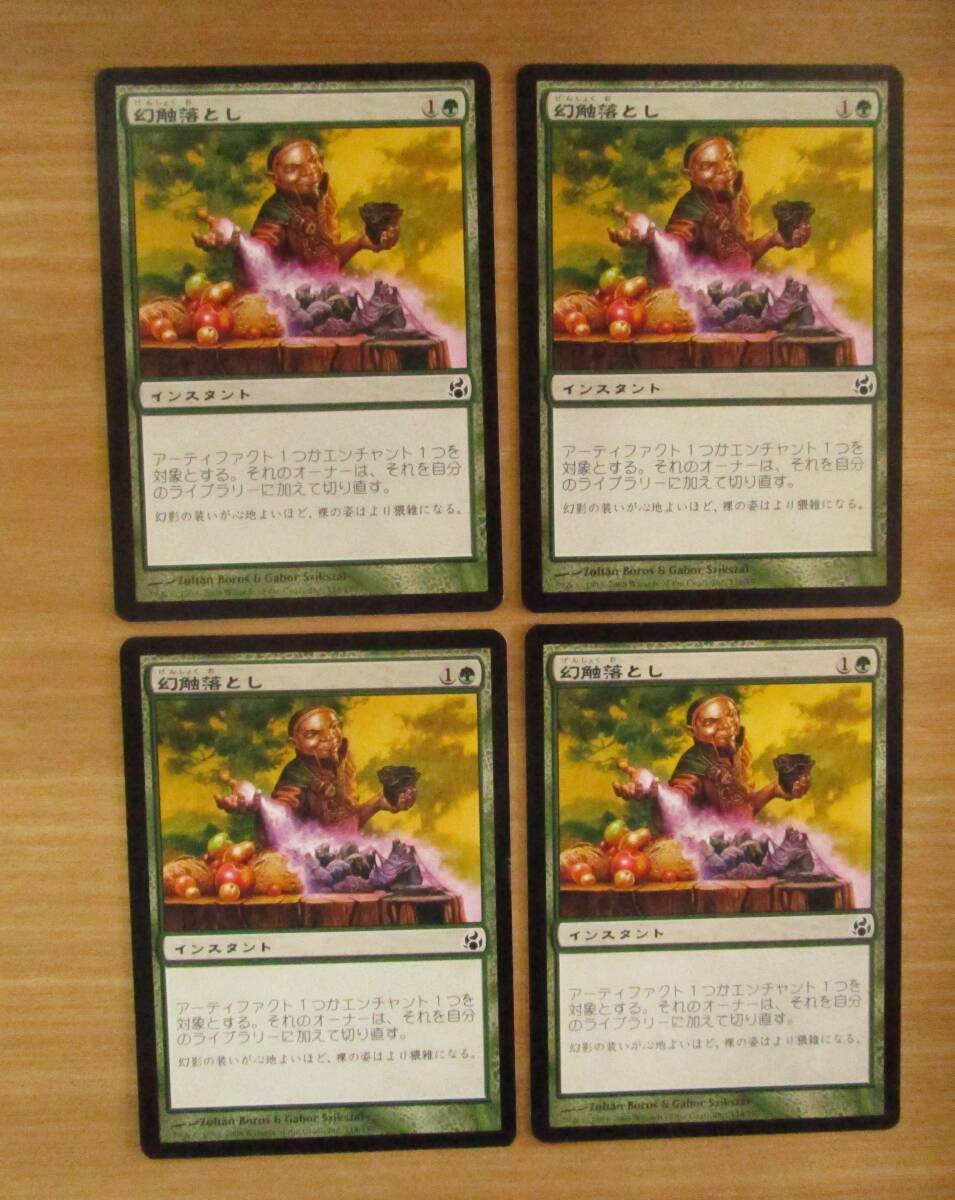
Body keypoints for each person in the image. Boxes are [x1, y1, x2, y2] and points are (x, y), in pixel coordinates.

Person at [609, 135, 811, 273]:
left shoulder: (738, 193)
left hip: (740, 291)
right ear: (689, 175)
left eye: (729, 159)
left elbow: (740, 258)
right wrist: (652, 238)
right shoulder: (690, 208)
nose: (725, 169)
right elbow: (677, 245)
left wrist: (773, 238)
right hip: (702, 301)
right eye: (708, 166)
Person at [193, 138, 399, 272]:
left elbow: (325, 263)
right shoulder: (275, 214)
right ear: (274, 178)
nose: (310, 172)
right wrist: (236, 242)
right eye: (293, 169)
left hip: (326, 296)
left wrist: (361, 241)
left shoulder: (324, 196)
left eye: (314, 161)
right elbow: (262, 249)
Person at [215, 705, 416, 839]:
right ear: (294, 743)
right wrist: (256, 803)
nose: (329, 737)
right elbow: (283, 813)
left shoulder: (344, 761)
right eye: (312, 734)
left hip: (347, 855)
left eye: (334, 727)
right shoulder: (295, 776)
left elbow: (346, 823)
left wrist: (379, 802)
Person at [614, 693, 810, 823]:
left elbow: (743, 808)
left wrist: (777, 788)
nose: (726, 725)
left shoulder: (737, 750)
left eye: (730, 715)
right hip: (710, 851)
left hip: (745, 839)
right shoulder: (694, 763)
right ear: (692, 731)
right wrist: (655, 792)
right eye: (710, 722)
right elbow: (680, 796)